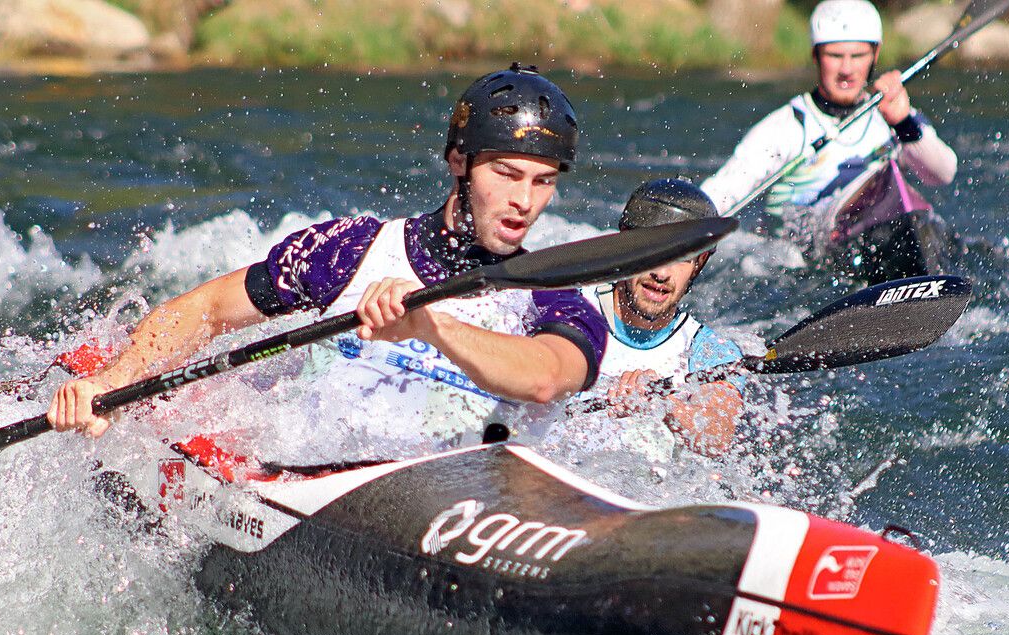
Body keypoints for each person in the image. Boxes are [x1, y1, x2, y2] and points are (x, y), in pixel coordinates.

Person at [46, 64, 608, 459]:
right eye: (506, 175)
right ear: (459, 163)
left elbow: (547, 379)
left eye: (543, 182)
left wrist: (432, 327)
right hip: (327, 491)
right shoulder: (351, 251)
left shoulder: (556, 289)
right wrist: (114, 381)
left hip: (479, 513)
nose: (525, 201)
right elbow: (208, 310)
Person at [700, 0, 957, 239]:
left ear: (875, 55)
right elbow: (724, 192)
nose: (846, 69)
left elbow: (942, 174)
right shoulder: (786, 127)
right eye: (835, 56)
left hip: (879, 235)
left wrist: (902, 123)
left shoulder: (895, 117)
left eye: (857, 56)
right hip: (798, 262)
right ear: (816, 56)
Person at [585, 179, 743, 457]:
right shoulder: (573, 310)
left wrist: (664, 402)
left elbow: (716, 437)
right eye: (654, 251)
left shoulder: (707, 350)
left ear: (700, 262)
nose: (663, 274)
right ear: (625, 244)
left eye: (681, 257)